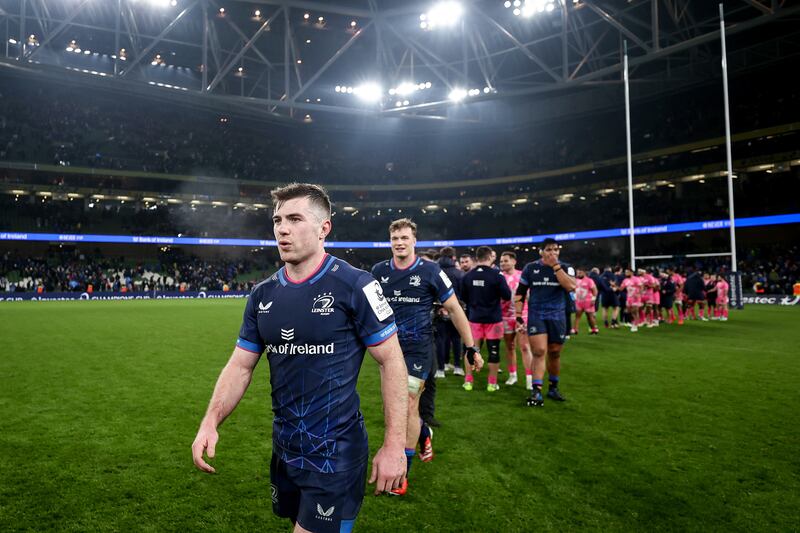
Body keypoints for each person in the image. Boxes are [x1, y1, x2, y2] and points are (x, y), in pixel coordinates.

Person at [191, 183, 408, 533]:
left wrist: (395, 445)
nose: (282, 228)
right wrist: (210, 421)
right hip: (285, 449)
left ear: (325, 228)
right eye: (277, 220)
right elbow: (240, 365)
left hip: (336, 452)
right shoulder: (263, 294)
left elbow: (392, 361)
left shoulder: (356, 285)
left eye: (294, 218)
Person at [371, 218, 481, 495]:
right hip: (388, 353)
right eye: (395, 238)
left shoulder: (431, 271)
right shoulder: (379, 271)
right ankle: (424, 433)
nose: (399, 243)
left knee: (407, 405)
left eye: (404, 238)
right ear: (390, 241)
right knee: (391, 411)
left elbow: (455, 309)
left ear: (414, 241)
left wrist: (471, 347)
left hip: (418, 352)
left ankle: (402, 475)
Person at [514, 238, 577, 407]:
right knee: (540, 351)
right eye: (549, 249)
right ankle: (536, 390)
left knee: (555, 352)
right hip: (537, 315)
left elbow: (571, 286)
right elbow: (520, 292)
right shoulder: (531, 268)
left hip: (558, 316)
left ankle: (553, 387)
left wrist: (555, 267)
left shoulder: (565, 267)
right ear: (541, 251)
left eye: (556, 249)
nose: (553, 253)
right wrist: (518, 314)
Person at [461, 246, 511, 392]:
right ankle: (492, 383)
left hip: (474, 318)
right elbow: (507, 296)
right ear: (490, 257)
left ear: (477, 258)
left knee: (471, 350)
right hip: (493, 319)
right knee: (493, 351)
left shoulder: (468, 276)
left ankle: (468, 381)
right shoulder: (497, 276)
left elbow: (463, 297)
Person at [499, 251, 534, 389]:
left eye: (505, 260)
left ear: (514, 261)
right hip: (505, 316)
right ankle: (512, 375)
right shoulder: (499, 277)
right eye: (501, 261)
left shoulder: (522, 275)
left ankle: (529, 378)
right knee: (510, 346)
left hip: (522, 316)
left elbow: (530, 295)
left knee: (525, 347)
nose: (502, 263)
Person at [435, 246, 465, 379]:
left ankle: (441, 368)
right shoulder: (459, 273)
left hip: (439, 310)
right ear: (453, 258)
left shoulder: (435, 272)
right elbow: (463, 294)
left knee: (440, 340)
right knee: (456, 338)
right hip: (456, 309)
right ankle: (457, 367)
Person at [573, 268, 599, 335]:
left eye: (580, 272)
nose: (578, 274)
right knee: (577, 315)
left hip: (588, 301)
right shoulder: (575, 280)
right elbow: (573, 289)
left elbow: (595, 290)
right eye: (578, 272)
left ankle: (594, 329)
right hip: (579, 301)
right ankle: (575, 329)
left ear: (584, 273)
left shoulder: (589, 280)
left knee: (590, 317)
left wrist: (593, 299)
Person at [620, 268, 643, 332]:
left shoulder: (636, 279)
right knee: (629, 311)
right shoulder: (625, 280)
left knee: (635, 311)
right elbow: (621, 289)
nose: (626, 273)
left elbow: (641, 287)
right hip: (629, 298)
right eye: (625, 272)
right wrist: (615, 286)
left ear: (631, 272)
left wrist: (639, 294)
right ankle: (635, 322)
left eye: (627, 272)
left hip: (636, 297)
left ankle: (635, 325)